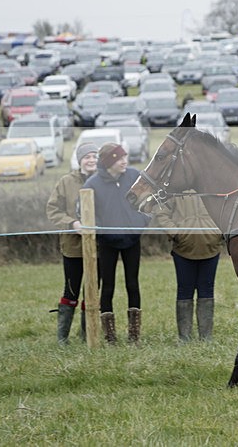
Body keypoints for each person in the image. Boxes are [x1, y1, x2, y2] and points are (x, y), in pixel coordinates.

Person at [82, 142, 152, 344]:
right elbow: (85, 212)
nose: (124, 161)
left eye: (125, 157)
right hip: (107, 242)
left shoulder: (133, 176)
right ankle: (110, 335)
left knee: (133, 284)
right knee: (108, 287)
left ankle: (134, 334)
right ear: (108, 162)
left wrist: (141, 222)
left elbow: (148, 200)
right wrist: (102, 230)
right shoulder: (93, 184)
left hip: (132, 239)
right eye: (119, 158)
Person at [46, 143, 99, 345]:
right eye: (87, 156)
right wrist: (72, 223)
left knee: (93, 290)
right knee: (72, 290)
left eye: (95, 156)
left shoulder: (103, 181)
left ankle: (88, 333)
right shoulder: (66, 182)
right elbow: (53, 210)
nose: (91, 160)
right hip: (73, 247)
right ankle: (62, 338)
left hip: (99, 248)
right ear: (80, 160)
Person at [153, 195, 223, 343]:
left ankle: (206, 337)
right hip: (183, 249)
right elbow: (161, 212)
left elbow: (225, 210)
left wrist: (218, 233)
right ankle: (184, 338)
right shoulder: (175, 188)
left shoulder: (212, 186)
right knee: (185, 290)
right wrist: (176, 233)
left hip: (211, 247)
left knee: (207, 290)